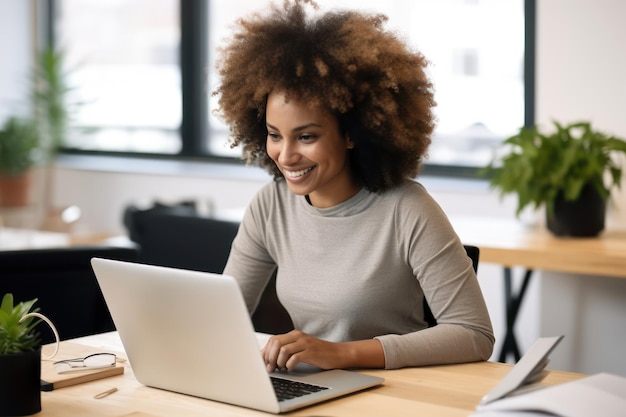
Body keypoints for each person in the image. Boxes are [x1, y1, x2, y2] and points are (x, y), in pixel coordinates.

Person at [215, 0, 494, 371]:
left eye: (306, 136)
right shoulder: (271, 206)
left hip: (396, 393)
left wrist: (343, 353)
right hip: (311, 389)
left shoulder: (407, 208)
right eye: (274, 135)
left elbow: (474, 333)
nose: (286, 155)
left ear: (351, 133)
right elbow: (222, 316)